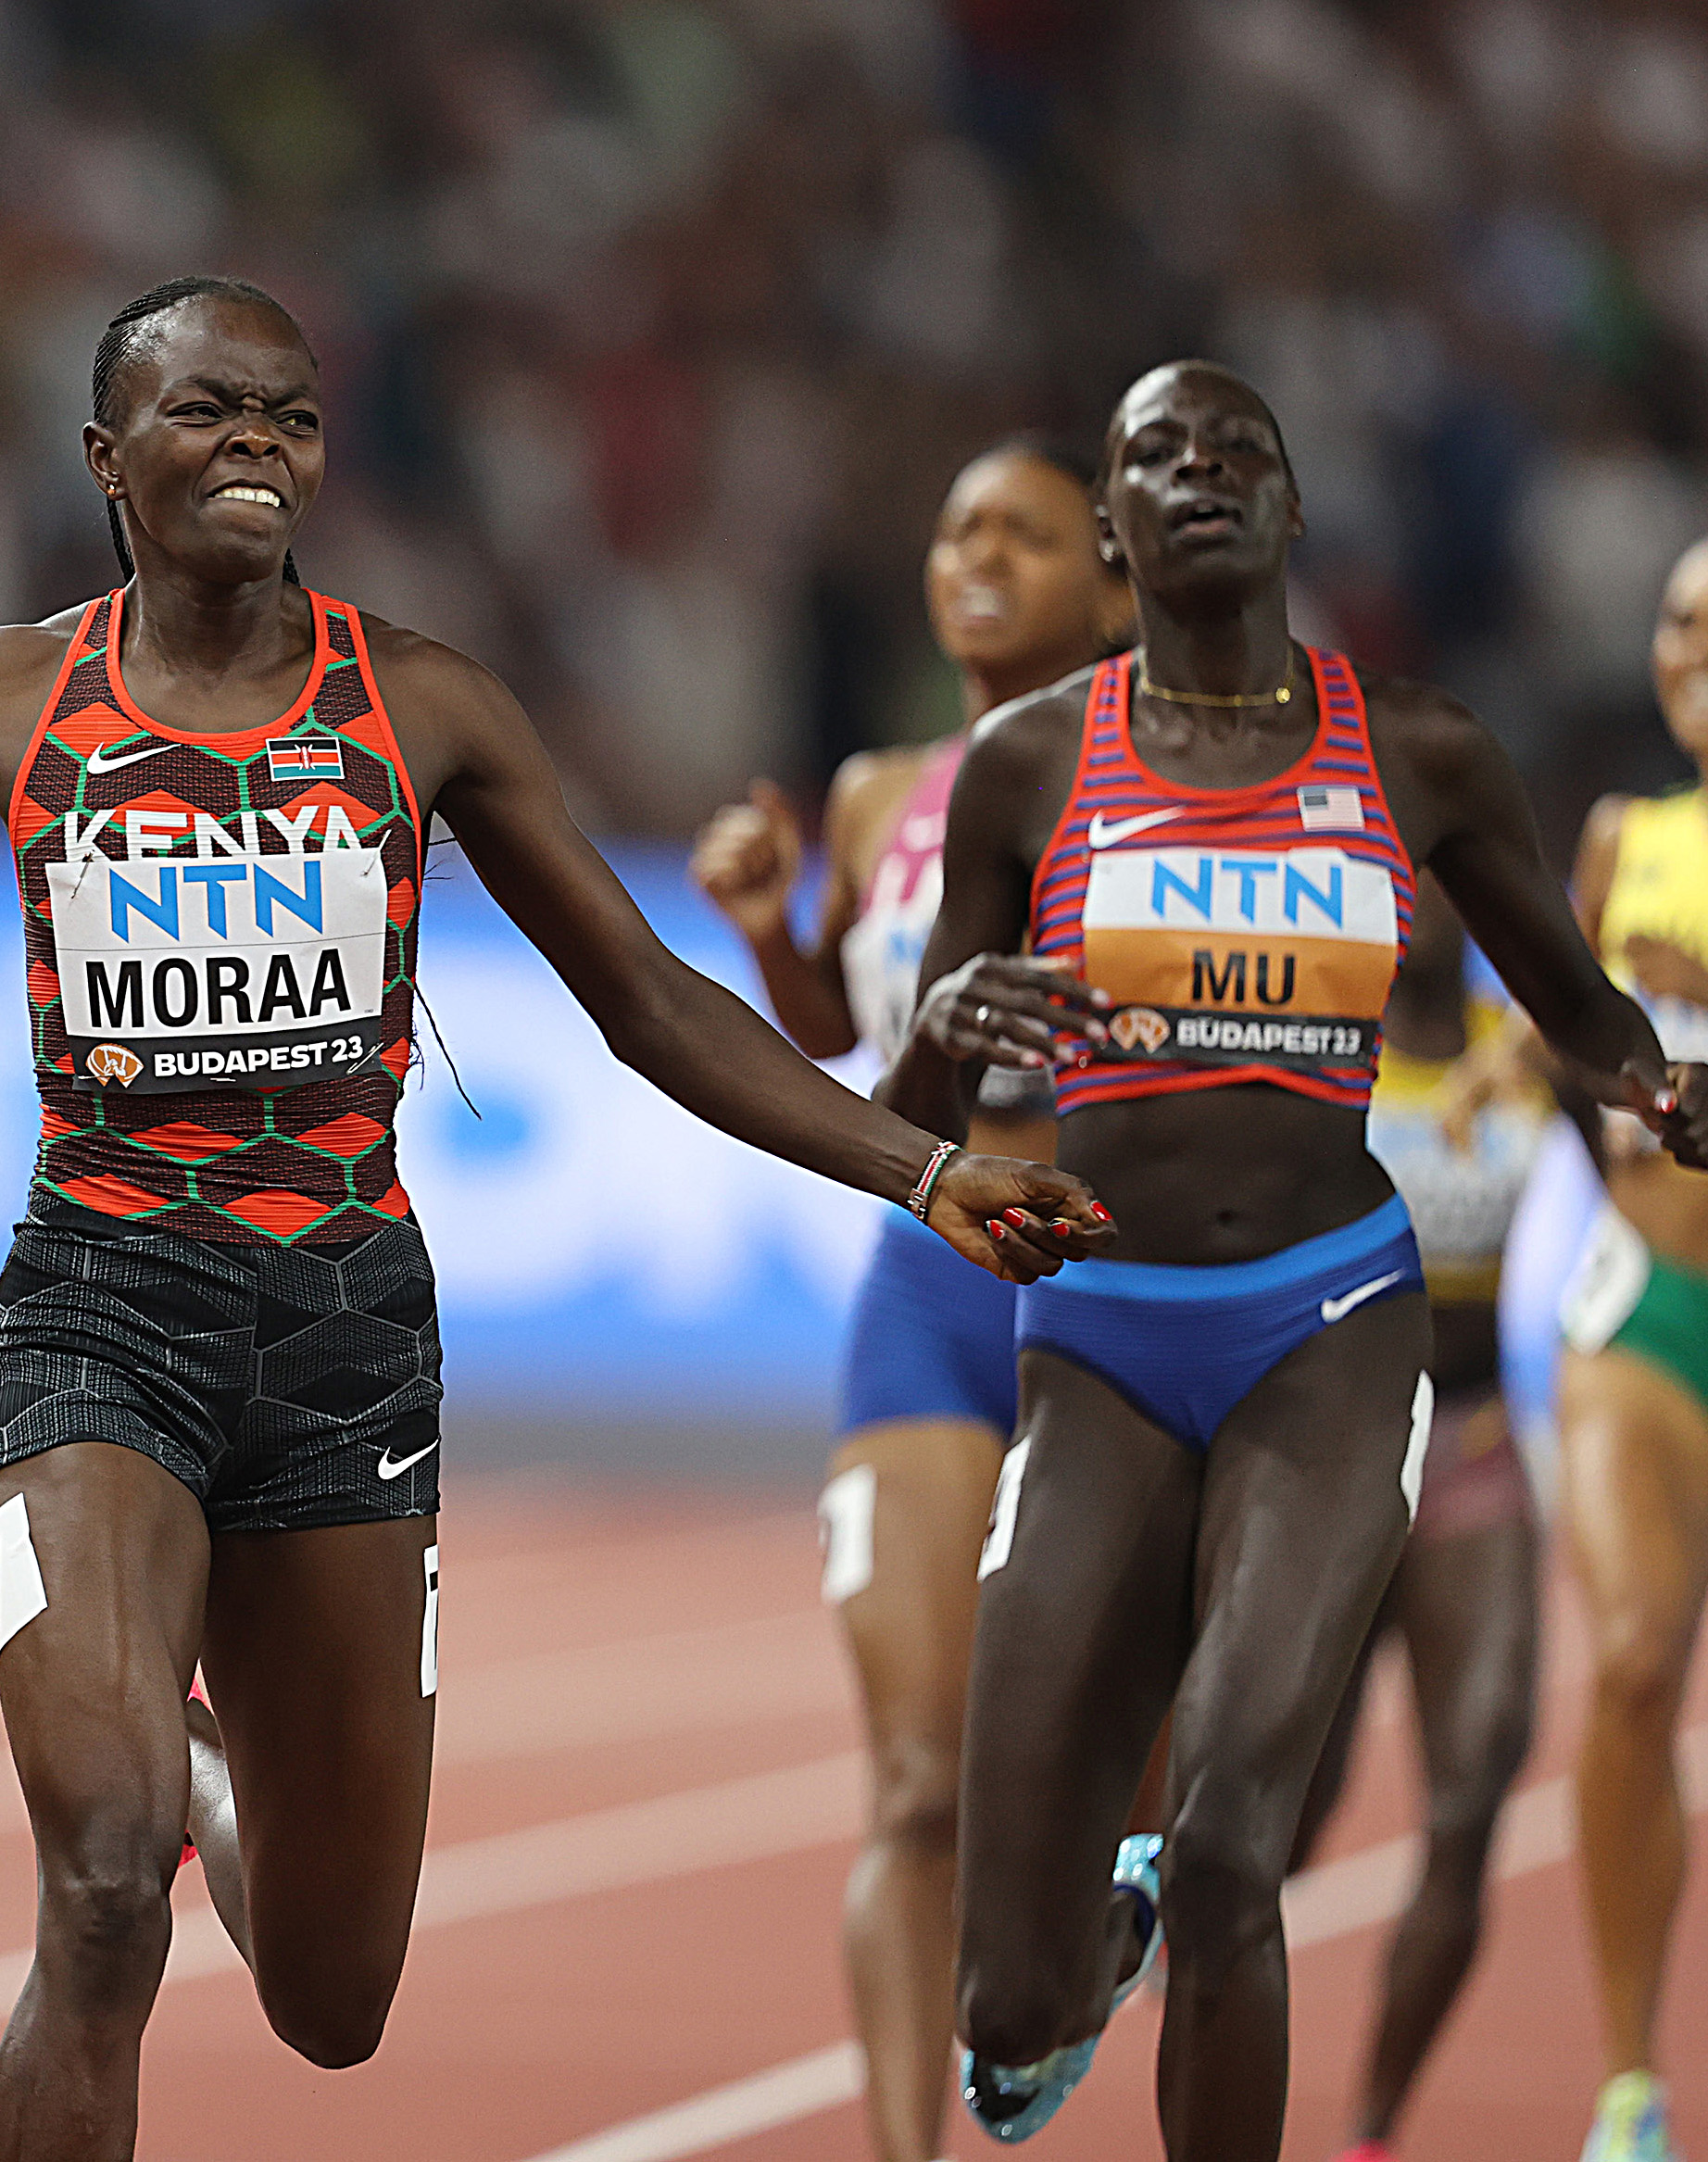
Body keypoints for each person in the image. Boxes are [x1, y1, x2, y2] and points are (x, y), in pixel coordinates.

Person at [0, 273, 1112, 2162]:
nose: (256, 441)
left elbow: (648, 1002)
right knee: (99, 1895)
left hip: (342, 1342)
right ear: (106, 458)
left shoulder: (420, 701)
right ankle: (133, 1770)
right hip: (96, 1311)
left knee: (332, 1995)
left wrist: (925, 1169)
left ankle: (190, 1756)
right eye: (206, 409)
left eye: (289, 415)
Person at [881, 359, 1708, 2162]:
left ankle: (1177, 1910)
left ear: (1289, 507)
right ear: (1113, 531)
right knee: (1004, 1999)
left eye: (1236, 450)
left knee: (1225, 1850)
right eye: (1156, 455)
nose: (1198, 472)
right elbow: (907, 1117)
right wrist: (945, 1023)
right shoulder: (1030, 763)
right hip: (1098, 1340)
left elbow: (1579, 1011)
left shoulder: (1412, 750)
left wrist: (1666, 1087)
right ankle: (1075, 1961)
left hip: (1328, 1328)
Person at [688, 435, 1127, 2162]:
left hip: (1120, 1285)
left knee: (1123, 1780)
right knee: (918, 1778)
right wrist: (768, 926)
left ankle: (1101, 1934)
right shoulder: (879, 794)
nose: (980, 558)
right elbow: (848, 1036)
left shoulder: (1159, 782)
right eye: (958, 530)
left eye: (1028, 533)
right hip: (932, 1293)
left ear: (1111, 585)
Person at [1553, 527, 1708, 2162]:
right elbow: (1569, 1044)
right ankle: (1632, 2087)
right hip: (1651, 1315)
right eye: (1681, 616)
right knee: (1636, 1657)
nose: (1701, 646)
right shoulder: (1617, 839)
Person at [1286, 875, 1549, 2162]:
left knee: (1476, 1780)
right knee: (1292, 1800)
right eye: (1409, 868)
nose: (1430, 894)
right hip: (1335, 1450)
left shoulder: (1527, 1046)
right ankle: (1178, 1915)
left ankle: (1373, 2129)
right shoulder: (1321, 1043)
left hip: (1477, 1445)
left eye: (1453, 865)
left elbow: (1658, 1129)